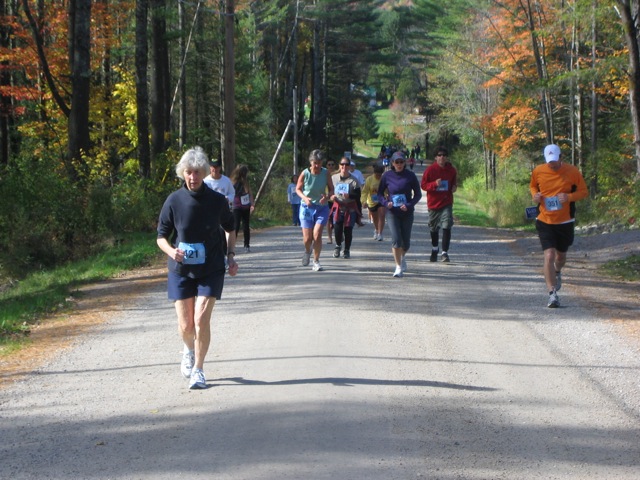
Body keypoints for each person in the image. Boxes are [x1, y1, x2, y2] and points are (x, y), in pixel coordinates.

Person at [156, 146, 238, 390]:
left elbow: (230, 228)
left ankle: (199, 370)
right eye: (188, 172)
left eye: (197, 172)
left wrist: (231, 255)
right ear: (183, 173)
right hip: (181, 270)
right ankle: (188, 350)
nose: (193, 177)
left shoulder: (217, 201)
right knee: (186, 325)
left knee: (201, 318)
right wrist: (172, 251)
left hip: (211, 267)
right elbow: (161, 237)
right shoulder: (174, 200)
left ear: (204, 173)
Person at [530, 144, 588, 308]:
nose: (552, 165)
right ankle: (552, 293)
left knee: (560, 257)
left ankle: (557, 271)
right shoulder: (538, 171)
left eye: (555, 161)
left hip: (565, 221)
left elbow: (583, 192)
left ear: (561, 157)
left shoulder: (572, 171)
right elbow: (533, 186)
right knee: (549, 255)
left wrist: (569, 197)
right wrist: (535, 196)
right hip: (544, 219)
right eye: (549, 162)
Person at [377, 151, 422, 277]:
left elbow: (418, 194)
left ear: (405, 162)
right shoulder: (387, 176)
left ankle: (402, 257)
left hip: (407, 212)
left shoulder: (410, 175)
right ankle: (398, 267)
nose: (399, 164)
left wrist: (409, 205)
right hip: (392, 212)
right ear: (392, 163)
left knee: (405, 242)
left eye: (401, 162)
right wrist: (386, 203)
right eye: (397, 162)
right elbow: (379, 194)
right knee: (396, 239)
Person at [296, 149, 334, 271]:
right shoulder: (305, 173)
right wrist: (305, 198)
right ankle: (308, 251)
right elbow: (298, 189)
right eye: (315, 163)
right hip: (307, 207)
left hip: (321, 207)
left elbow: (332, 189)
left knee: (317, 235)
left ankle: (316, 261)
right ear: (310, 162)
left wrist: (327, 197)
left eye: (319, 163)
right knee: (307, 239)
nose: (317, 166)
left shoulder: (326, 173)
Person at [421, 146, 458, 263]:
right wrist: (434, 184)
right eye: (439, 155)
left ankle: (444, 252)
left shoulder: (452, 170)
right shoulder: (430, 170)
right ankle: (435, 248)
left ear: (447, 158)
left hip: (446, 202)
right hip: (433, 204)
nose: (442, 157)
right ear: (436, 157)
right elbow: (423, 185)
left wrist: (454, 187)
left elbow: (454, 183)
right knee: (434, 228)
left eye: (444, 155)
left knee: (447, 225)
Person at [330, 157, 361, 259]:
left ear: (349, 166)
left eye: (347, 164)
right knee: (337, 228)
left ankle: (347, 249)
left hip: (350, 207)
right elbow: (329, 191)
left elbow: (358, 196)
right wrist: (331, 196)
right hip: (337, 206)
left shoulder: (354, 180)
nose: (344, 166)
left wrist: (350, 195)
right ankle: (338, 245)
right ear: (339, 165)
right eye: (342, 164)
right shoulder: (333, 178)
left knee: (348, 229)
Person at [230, 165, 255, 253]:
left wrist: (252, 204)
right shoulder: (233, 182)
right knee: (236, 226)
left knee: (245, 226)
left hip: (245, 206)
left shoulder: (245, 182)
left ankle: (246, 245)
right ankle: (233, 245)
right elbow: (230, 193)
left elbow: (249, 192)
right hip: (237, 206)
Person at [362, 163, 385, 241]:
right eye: (377, 175)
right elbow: (365, 191)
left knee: (382, 215)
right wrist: (363, 201)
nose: (378, 176)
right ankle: (377, 230)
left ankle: (380, 233)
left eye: (380, 175)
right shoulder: (369, 179)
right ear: (374, 173)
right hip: (372, 201)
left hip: (382, 200)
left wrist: (388, 196)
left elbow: (388, 189)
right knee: (375, 219)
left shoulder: (384, 179)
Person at [325, 159, 337, 244]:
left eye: (332, 164)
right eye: (329, 164)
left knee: (337, 219)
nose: (331, 166)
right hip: (327, 200)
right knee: (328, 219)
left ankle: (339, 234)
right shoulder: (324, 174)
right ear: (326, 166)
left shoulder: (338, 175)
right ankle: (330, 238)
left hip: (337, 199)